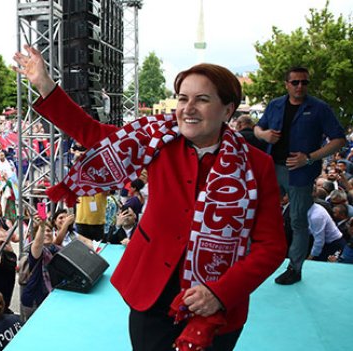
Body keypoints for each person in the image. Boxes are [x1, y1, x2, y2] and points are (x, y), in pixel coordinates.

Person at [15, 46, 286, 350]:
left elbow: (271, 246)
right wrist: (44, 85)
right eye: (183, 98)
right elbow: (89, 132)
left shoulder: (255, 165)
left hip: (217, 305)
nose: (188, 108)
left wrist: (220, 293)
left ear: (228, 109)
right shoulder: (156, 142)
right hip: (153, 292)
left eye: (202, 99)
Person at [255, 66, 346, 285]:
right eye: (295, 82)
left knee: (297, 221)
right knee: (260, 214)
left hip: (300, 173)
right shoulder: (275, 105)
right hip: (271, 168)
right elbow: (258, 128)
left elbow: (339, 140)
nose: (300, 86)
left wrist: (310, 157)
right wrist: (264, 135)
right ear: (286, 84)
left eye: (304, 82)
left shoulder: (319, 108)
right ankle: (257, 258)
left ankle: (294, 269)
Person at [19, 217, 61, 321]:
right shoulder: (36, 251)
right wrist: (41, 227)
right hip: (35, 301)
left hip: (50, 298)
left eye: (49, 230)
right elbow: (37, 245)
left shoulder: (56, 249)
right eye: (44, 231)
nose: (47, 233)